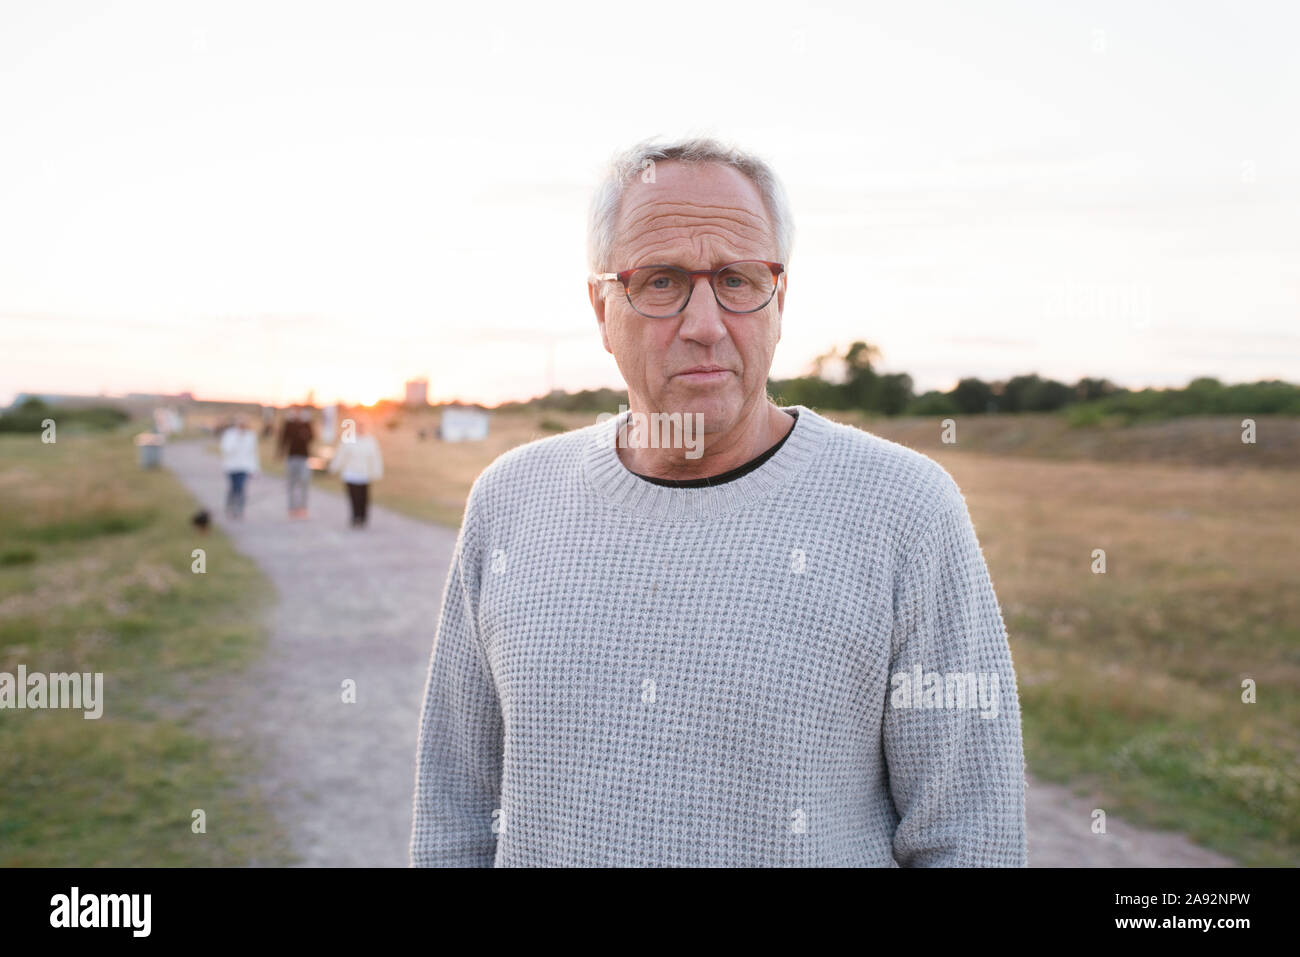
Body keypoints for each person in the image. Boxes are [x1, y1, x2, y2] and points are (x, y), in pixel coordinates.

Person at [410, 138, 1027, 868]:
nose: (705, 323)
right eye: (662, 281)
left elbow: (971, 837)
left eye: (737, 279)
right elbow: (455, 809)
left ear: (780, 298)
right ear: (601, 306)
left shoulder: (907, 511)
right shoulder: (509, 502)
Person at [328, 413, 383, 527]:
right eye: (358, 425)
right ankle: (354, 517)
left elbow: (375, 457)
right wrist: (333, 468)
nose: (360, 428)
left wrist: (377, 472)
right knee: (353, 497)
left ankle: (362, 517)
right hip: (351, 474)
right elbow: (340, 455)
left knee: (363, 497)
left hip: (364, 474)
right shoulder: (348, 440)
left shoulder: (370, 441)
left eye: (363, 425)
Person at [219, 414, 260, 519]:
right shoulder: (230, 434)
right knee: (233, 488)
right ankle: (230, 507)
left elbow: (253, 453)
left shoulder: (251, 436)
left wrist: (255, 468)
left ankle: (239, 510)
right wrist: (237, 438)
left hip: (244, 467)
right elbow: (226, 450)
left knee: (241, 488)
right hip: (232, 467)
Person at [277, 406, 316, 519]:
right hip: (292, 457)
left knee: (304, 483)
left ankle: (303, 508)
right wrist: (280, 453)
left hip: (304, 457)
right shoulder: (289, 424)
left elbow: (312, 437)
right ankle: (291, 508)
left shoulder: (307, 423)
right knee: (291, 484)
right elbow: (283, 439)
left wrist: (306, 431)